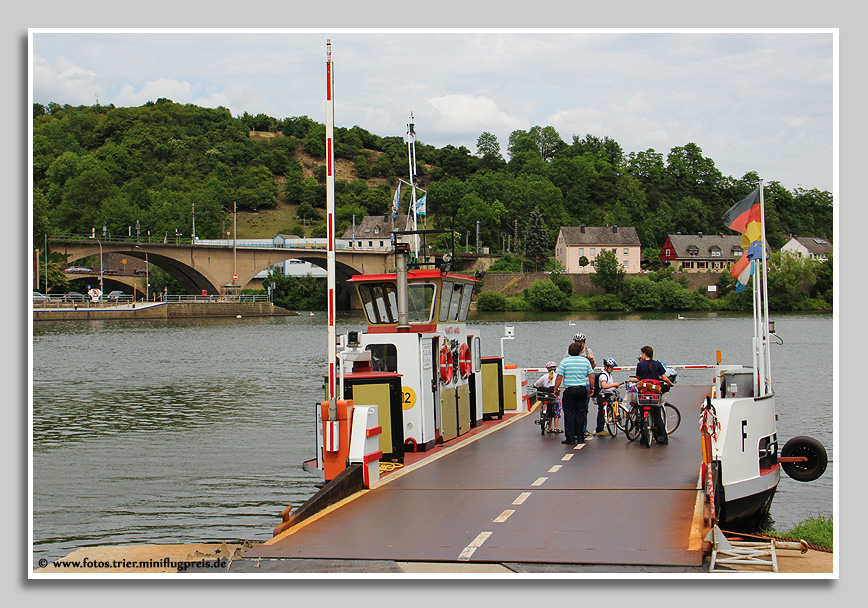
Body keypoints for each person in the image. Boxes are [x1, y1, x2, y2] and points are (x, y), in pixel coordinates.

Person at [553, 342, 595, 446]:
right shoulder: (585, 362)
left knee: (569, 413)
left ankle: (570, 437)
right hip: (582, 389)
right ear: (580, 351)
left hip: (570, 390)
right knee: (581, 413)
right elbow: (591, 376)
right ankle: (580, 437)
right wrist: (592, 388)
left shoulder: (564, 362)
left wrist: (556, 389)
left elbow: (559, 377)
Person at [635, 345, 674, 446]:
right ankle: (662, 438)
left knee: (642, 415)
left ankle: (644, 439)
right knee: (657, 416)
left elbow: (638, 378)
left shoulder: (640, 365)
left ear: (644, 354)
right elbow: (664, 378)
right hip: (654, 394)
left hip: (644, 394)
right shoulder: (658, 364)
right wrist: (670, 384)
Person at [572, 333, 596, 439]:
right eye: (577, 343)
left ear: (584, 343)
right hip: (573, 383)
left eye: (581, 343)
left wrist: (592, 360)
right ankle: (574, 430)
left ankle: (583, 429)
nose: (579, 345)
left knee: (584, 408)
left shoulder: (588, 351)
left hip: (585, 383)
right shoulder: (570, 352)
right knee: (573, 408)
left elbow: (593, 368)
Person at [594, 358, 622, 436]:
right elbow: (604, 386)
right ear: (606, 367)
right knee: (601, 412)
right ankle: (599, 429)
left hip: (608, 394)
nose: (612, 369)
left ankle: (602, 427)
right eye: (611, 367)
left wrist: (613, 388)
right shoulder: (603, 375)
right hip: (602, 396)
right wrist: (614, 384)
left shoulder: (609, 375)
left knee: (608, 410)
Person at [534, 361, 562, 433]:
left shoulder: (544, 376)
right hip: (554, 395)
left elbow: (536, 384)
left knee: (549, 411)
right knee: (556, 411)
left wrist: (536, 386)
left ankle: (549, 428)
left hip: (546, 396)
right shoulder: (557, 376)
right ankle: (556, 428)